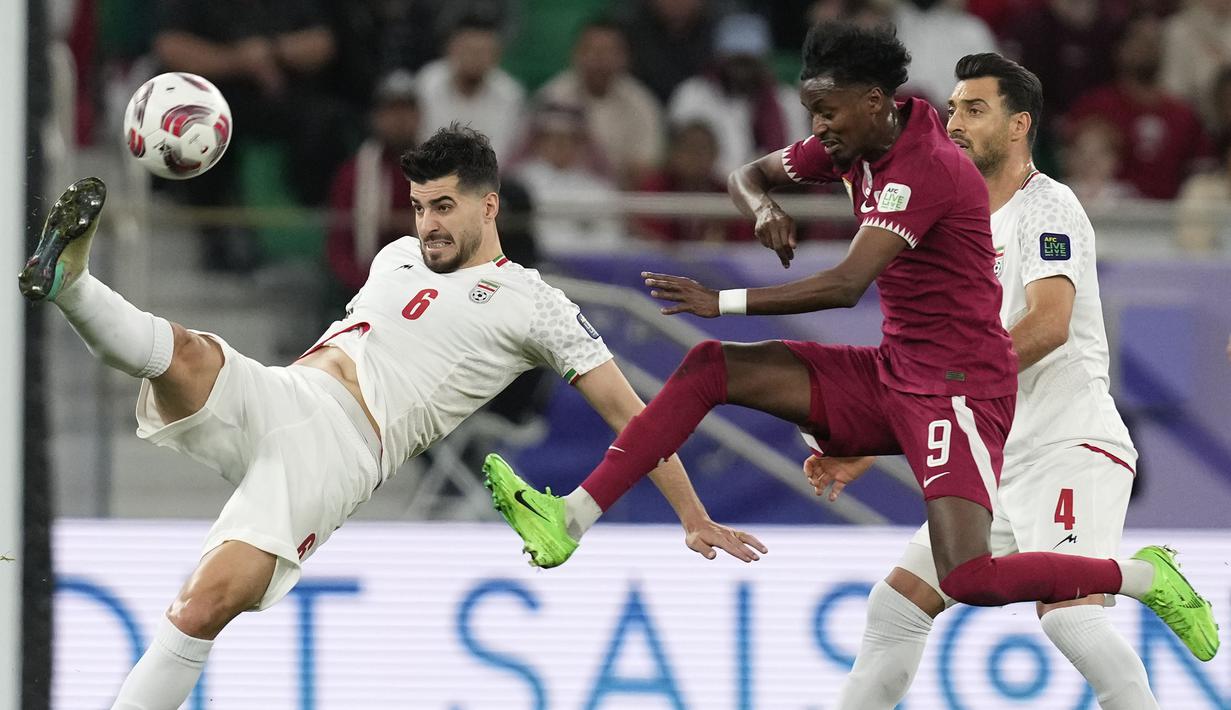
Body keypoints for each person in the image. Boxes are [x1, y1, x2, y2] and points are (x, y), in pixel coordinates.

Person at [482, 21, 1219, 665]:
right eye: (811, 112)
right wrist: (764, 206)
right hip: (896, 375)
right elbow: (748, 173)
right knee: (709, 368)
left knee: (968, 579)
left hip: (958, 390)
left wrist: (722, 300)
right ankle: (570, 518)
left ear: (873, 103)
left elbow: (845, 285)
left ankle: (1144, 576)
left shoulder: (925, 169)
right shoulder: (852, 139)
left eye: (827, 112)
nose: (818, 127)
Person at [18, 126, 763, 710]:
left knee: (201, 604)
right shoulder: (398, 255)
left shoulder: (535, 304)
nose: (427, 224)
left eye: (443, 207)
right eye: (418, 206)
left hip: (340, 452)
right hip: (285, 392)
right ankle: (70, 281)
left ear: (487, 205)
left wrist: (691, 515)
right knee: (181, 354)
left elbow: (638, 418)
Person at [818, 52, 1160, 709]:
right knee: (895, 607)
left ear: (1017, 126)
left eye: (973, 109)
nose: (953, 121)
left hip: (1069, 446)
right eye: (950, 107)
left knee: (1069, 618)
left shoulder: (1048, 207)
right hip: (995, 463)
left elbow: (1049, 324)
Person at [537, 18, 666, 189]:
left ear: (625, 57)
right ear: (575, 54)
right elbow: (535, 162)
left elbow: (646, 169)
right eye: (592, 51)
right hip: (560, 196)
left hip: (622, 201)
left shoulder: (642, 105)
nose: (600, 60)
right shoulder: (553, 96)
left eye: (608, 52)